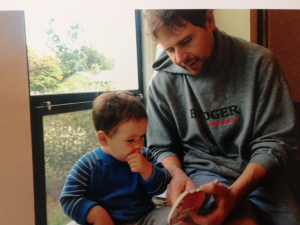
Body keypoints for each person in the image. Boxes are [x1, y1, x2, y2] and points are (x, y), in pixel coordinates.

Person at [144, 9, 300, 225]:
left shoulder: (260, 63)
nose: (180, 58)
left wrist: (236, 193)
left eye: (187, 41)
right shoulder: (161, 82)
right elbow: (161, 146)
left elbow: (275, 142)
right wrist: (176, 174)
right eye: (169, 49)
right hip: (199, 171)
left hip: (259, 174)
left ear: (209, 21)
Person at [60, 91, 171, 225]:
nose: (139, 145)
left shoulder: (145, 155)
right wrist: (97, 214)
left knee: (173, 217)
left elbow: (161, 187)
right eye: (130, 140)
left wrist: (148, 170)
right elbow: (68, 198)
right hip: (107, 221)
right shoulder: (89, 164)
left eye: (142, 136)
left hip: (145, 217)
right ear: (104, 139)